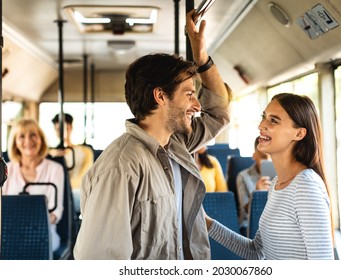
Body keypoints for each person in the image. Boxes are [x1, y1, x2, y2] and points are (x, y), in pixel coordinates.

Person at [73, 9, 231, 260]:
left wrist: (201, 57)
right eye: (189, 94)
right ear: (160, 96)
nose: (197, 105)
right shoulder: (120, 167)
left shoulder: (177, 144)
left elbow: (219, 111)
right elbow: (100, 262)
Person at [206, 93, 334, 260]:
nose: (261, 125)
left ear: (299, 134)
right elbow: (256, 251)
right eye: (264, 117)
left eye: (273, 120)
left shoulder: (305, 187)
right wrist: (206, 222)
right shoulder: (276, 185)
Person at [3, 118, 65, 252]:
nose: (28, 141)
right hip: (9, 234)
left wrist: (31, 226)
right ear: (15, 142)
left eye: (33, 135)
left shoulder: (55, 169)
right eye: (21, 136)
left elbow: (56, 212)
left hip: (43, 234)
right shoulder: (6, 170)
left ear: (41, 139)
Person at [50, 113, 94, 213]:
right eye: (57, 129)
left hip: (75, 191)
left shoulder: (85, 151)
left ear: (70, 127)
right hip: (55, 191)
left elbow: (84, 177)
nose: (59, 132)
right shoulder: (50, 153)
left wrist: (65, 188)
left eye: (63, 128)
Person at [236, 136, 271, 228]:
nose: (268, 161)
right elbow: (246, 211)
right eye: (264, 157)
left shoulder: (282, 176)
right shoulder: (243, 176)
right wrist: (256, 194)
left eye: (272, 156)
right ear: (254, 156)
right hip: (249, 223)